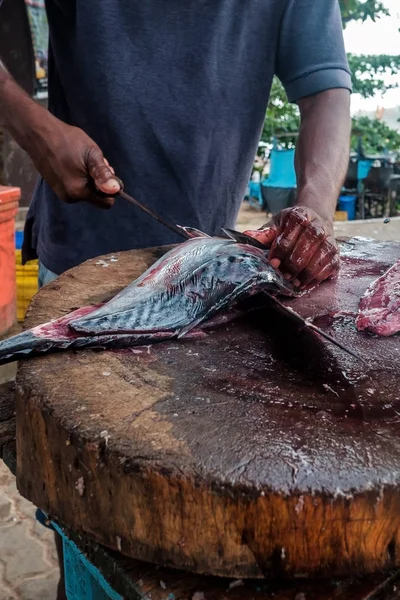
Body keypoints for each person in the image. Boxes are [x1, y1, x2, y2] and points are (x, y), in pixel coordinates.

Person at [0, 1, 351, 596]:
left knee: (178, 461)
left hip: (209, 283)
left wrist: (315, 206)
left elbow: (326, 89)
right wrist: (33, 127)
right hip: (78, 257)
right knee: (83, 492)